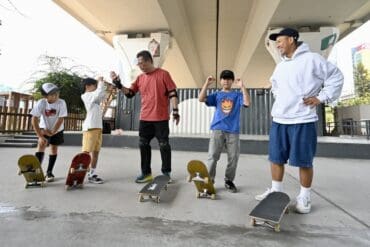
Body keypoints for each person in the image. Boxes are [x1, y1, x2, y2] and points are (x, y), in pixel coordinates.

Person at [255, 28, 344, 213]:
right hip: (280, 119)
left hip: (303, 119)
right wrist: (280, 98)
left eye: (279, 41)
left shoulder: (312, 59)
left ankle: (304, 196)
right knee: (276, 158)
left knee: (304, 161)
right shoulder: (280, 65)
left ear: (291, 39)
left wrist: (321, 97)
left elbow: (336, 76)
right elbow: (275, 85)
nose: (277, 45)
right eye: (276, 42)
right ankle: (276, 192)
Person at [111, 50, 180, 183]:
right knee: (143, 144)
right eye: (139, 64)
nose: (140, 66)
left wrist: (175, 111)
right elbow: (130, 94)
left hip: (161, 118)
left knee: (164, 145)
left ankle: (166, 173)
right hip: (145, 118)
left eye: (142, 63)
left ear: (149, 61)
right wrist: (119, 85)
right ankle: (146, 173)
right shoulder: (140, 78)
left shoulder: (163, 74)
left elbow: (172, 94)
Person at [199, 70, 250, 193]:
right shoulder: (216, 95)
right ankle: (209, 182)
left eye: (228, 79)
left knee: (233, 158)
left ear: (232, 81)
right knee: (212, 156)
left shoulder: (237, 96)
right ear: (221, 81)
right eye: (224, 78)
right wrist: (206, 83)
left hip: (233, 131)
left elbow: (247, 102)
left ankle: (229, 181)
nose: (226, 81)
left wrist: (242, 87)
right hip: (218, 129)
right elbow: (201, 98)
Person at [31, 82, 68, 182]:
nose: (56, 95)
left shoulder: (62, 102)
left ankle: (49, 172)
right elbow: (34, 119)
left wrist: (53, 132)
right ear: (45, 96)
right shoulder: (41, 103)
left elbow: (61, 119)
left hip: (58, 130)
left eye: (57, 93)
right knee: (41, 145)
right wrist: (40, 135)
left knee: (54, 149)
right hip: (44, 129)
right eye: (52, 94)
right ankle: (36, 172)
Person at [81, 77, 107, 184]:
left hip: (98, 127)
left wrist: (102, 84)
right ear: (87, 86)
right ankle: (80, 172)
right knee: (86, 152)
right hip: (90, 128)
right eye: (94, 85)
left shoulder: (94, 97)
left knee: (96, 152)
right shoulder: (86, 96)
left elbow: (102, 95)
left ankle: (92, 174)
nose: (96, 88)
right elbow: (98, 93)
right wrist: (100, 82)